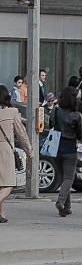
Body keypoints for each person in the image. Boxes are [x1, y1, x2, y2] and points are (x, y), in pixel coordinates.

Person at [0, 85, 33, 223]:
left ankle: (1, 214)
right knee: (9, 184)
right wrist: (29, 151)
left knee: (1, 183)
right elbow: (22, 134)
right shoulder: (12, 112)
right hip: (5, 150)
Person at [51, 87, 82, 217]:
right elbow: (80, 135)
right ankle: (61, 201)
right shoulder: (76, 115)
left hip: (57, 146)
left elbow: (51, 124)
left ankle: (66, 207)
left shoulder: (57, 111)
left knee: (64, 177)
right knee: (69, 177)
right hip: (70, 147)